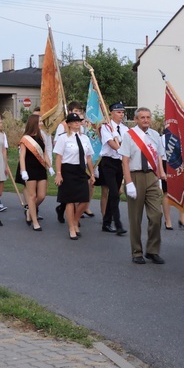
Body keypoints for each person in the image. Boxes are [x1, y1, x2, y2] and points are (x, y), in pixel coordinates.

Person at [120, 107, 166, 264]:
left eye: (148, 117)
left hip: (151, 176)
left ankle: (152, 250)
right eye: (142, 117)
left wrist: (159, 175)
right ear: (136, 119)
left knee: (156, 215)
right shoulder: (129, 136)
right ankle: (137, 251)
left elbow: (158, 157)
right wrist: (129, 183)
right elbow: (125, 161)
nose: (146, 120)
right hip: (135, 176)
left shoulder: (155, 135)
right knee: (135, 217)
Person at [54, 112, 95, 240]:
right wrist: (58, 174)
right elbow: (59, 157)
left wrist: (92, 173)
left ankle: (76, 220)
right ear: (69, 124)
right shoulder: (63, 138)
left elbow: (88, 157)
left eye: (79, 121)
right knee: (70, 201)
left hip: (80, 170)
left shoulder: (85, 138)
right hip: (67, 170)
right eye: (75, 121)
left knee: (84, 200)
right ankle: (71, 227)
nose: (78, 123)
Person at [98, 101, 129, 235]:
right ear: (111, 113)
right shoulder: (106, 127)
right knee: (115, 193)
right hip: (108, 162)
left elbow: (127, 144)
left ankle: (106, 223)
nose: (121, 114)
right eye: (118, 112)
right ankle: (118, 223)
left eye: (122, 112)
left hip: (119, 163)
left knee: (114, 194)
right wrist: (121, 149)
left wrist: (125, 151)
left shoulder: (125, 129)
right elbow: (111, 143)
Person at [19, 114, 54, 232]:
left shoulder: (41, 136)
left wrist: (49, 167)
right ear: (34, 122)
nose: (41, 123)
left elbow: (44, 153)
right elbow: (22, 157)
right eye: (39, 121)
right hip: (30, 169)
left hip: (40, 168)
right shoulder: (25, 139)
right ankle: (35, 221)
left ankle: (29, 209)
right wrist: (23, 171)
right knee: (32, 196)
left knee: (42, 196)